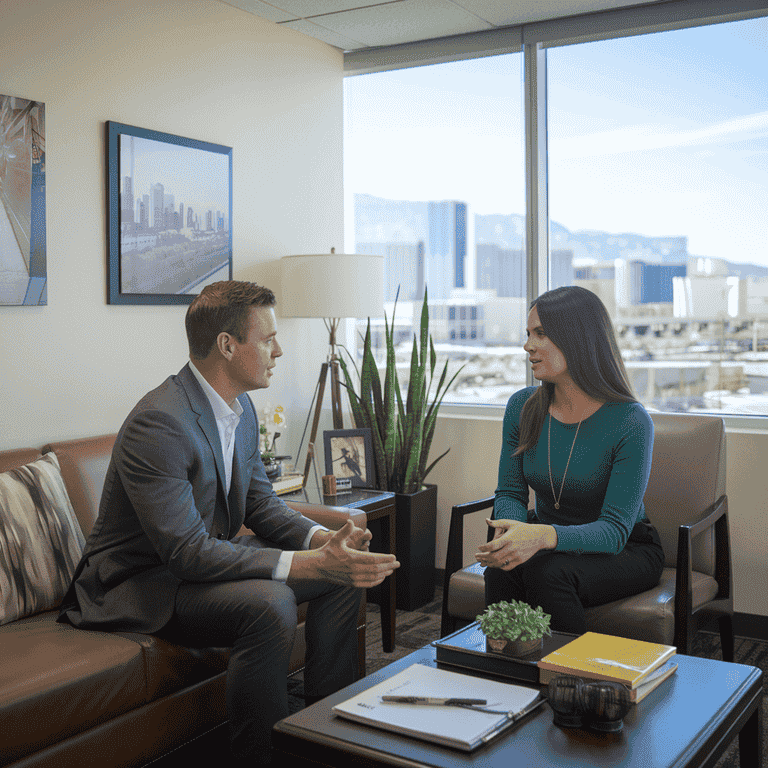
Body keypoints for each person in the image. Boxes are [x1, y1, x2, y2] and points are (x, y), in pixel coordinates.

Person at [58, 280, 399, 766]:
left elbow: (261, 505)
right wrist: (307, 562)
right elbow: (187, 554)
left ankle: (326, 736)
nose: (278, 350)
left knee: (340, 574)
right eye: (267, 339)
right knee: (269, 603)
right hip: (142, 583)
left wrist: (327, 542)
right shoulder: (159, 423)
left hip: (194, 570)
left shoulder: (240, 408)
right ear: (227, 345)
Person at [476, 286, 664, 635]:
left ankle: (571, 679)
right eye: (528, 334)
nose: (527, 345)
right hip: (547, 539)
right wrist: (510, 536)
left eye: (541, 334)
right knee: (502, 569)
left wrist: (540, 537)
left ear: (577, 340)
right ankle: (506, 673)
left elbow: (613, 532)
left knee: (548, 573)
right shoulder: (522, 406)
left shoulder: (631, 421)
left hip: (625, 549)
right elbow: (511, 493)